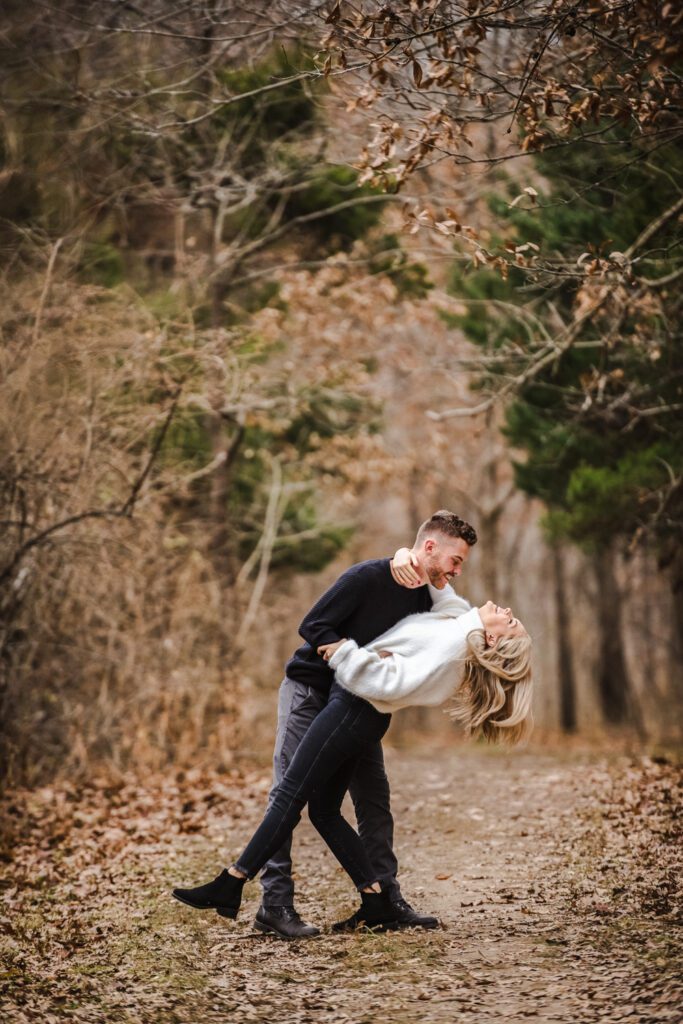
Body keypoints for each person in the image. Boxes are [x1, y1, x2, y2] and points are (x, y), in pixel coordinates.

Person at [172, 585, 532, 931]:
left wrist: (344, 651)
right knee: (324, 812)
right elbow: (444, 595)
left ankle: (232, 882)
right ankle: (376, 900)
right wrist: (408, 557)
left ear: (493, 639)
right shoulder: (459, 626)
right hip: (356, 709)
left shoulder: (452, 648)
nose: (508, 611)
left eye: (511, 622)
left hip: (354, 708)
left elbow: (391, 683)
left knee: (291, 791)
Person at [241, 510, 478, 938]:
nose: (457, 571)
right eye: (455, 560)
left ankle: (385, 901)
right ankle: (275, 904)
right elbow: (312, 625)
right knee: (288, 794)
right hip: (309, 693)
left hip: (360, 705)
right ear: (429, 547)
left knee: (373, 799)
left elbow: (456, 621)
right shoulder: (367, 577)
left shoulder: (429, 597)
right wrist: (349, 654)